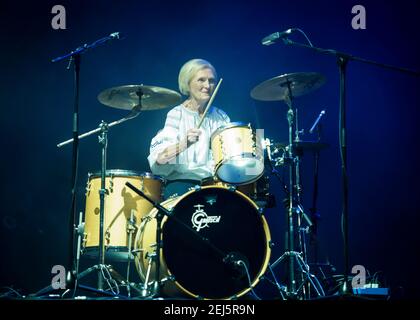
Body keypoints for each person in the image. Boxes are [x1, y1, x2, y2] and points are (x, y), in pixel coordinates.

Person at [147, 59, 230, 198]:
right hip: (182, 183)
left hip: (214, 184)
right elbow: (159, 160)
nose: (207, 85)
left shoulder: (221, 117)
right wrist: (184, 144)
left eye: (211, 80)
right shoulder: (176, 114)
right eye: (201, 80)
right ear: (187, 83)